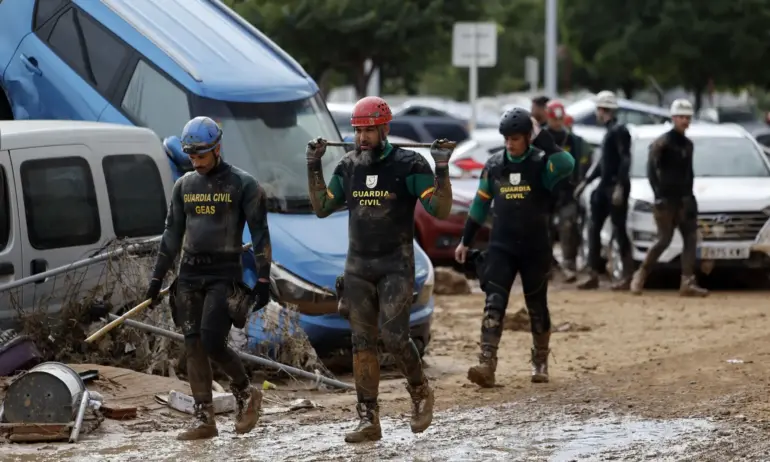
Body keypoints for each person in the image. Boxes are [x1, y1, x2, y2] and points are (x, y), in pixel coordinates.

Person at [305, 96, 453, 443]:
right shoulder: (348, 166)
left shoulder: (409, 165)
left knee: (395, 337)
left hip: (395, 266)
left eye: (369, 130)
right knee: (361, 343)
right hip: (357, 268)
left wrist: (442, 167)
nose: (362, 138)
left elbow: (441, 210)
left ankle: (419, 391)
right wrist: (313, 165)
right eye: (358, 131)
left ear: (385, 128)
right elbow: (322, 207)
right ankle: (367, 418)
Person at [144, 116, 272, 440]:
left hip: (224, 274)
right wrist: (157, 279)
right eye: (191, 155)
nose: (196, 162)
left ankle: (245, 393)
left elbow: (260, 235)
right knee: (193, 345)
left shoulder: (244, 185)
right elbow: (171, 234)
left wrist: (263, 280)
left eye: (201, 154)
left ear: (217, 148)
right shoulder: (184, 186)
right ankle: (204, 418)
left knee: (213, 340)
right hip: (189, 274)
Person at [455, 107, 575, 387]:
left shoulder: (542, 163)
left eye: (516, 138)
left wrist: (542, 137)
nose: (510, 143)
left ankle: (540, 360)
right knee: (494, 302)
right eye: (506, 138)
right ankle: (487, 363)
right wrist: (465, 240)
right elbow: (479, 204)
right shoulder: (495, 165)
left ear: (527, 138)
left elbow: (567, 163)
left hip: (535, 247)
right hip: (502, 246)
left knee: (537, 305)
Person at [630, 99, 708, 297]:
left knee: (690, 239)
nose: (684, 121)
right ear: (673, 118)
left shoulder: (688, 145)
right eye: (681, 117)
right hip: (666, 200)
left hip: (684, 199)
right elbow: (651, 169)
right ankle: (640, 275)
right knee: (664, 240)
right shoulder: (662, 142)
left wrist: (690, 198)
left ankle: (687, 282)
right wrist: (658, 195)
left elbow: (688, 173)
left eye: (687, 118)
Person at [574, 91, 633, 290]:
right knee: (593, 228)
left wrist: (619, 187)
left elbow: (625, 160)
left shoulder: (619, 131)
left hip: (615, 187)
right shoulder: (609, 132)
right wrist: (586, 181)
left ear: (602, 110)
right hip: (604, 187)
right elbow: (603, 164)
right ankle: (593, 273)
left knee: (619, 229)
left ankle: (626, 276)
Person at [544, 100, 583, 281]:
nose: (557, 123)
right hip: (545, 191)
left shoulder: (571, 140)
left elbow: (577, 165)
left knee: (568, 227)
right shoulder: (541, 138)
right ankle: (546, 266)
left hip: (567, 192)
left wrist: (576, 185)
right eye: (554, 119)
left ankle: (569, 265)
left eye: (560, 119)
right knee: (544, 229)